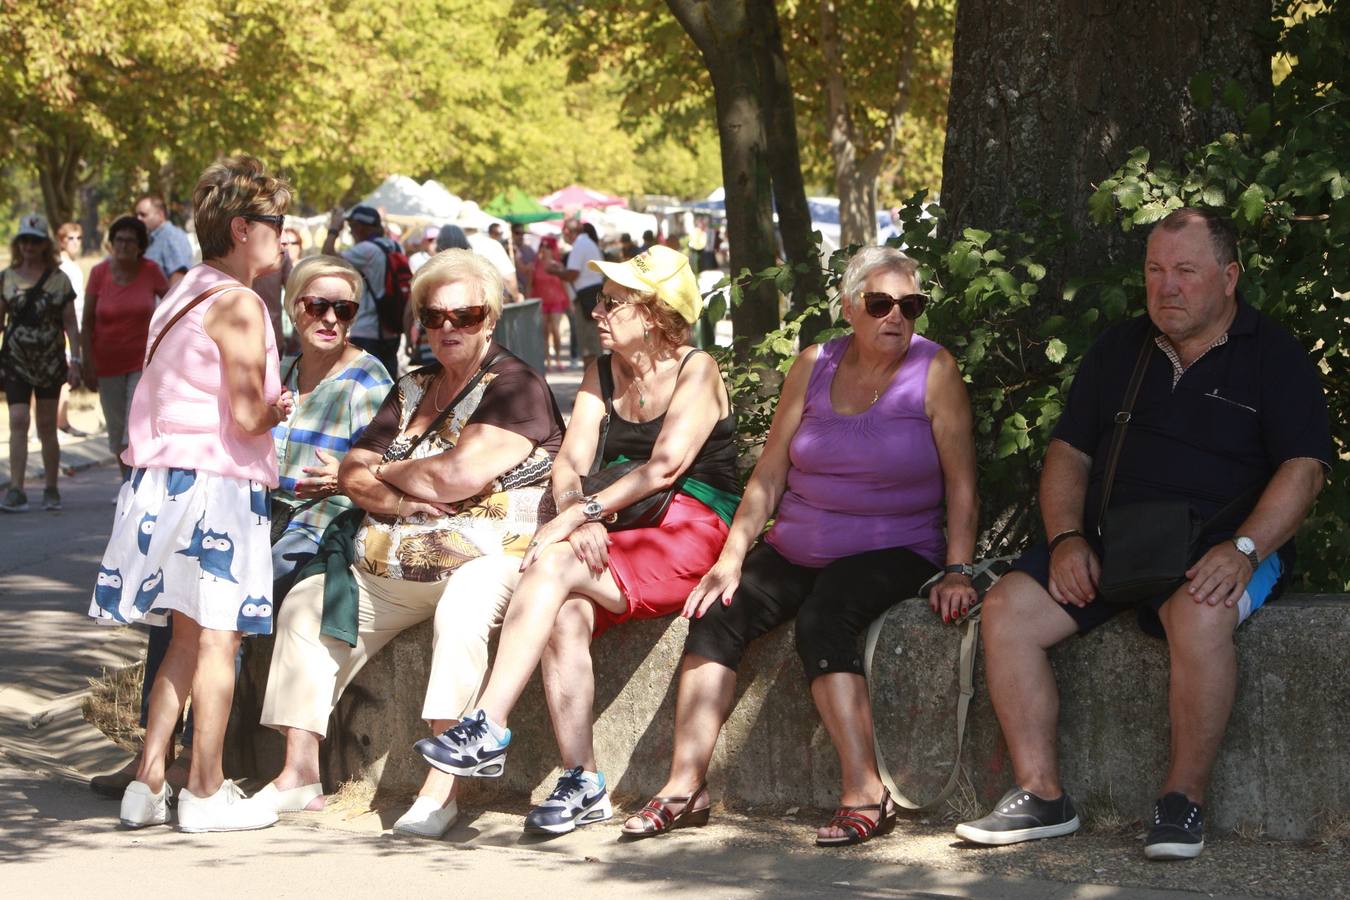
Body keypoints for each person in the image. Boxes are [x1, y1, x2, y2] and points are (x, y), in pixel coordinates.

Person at [954, 208, 1332, 861]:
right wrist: (1068, 535)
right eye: (1156, 271)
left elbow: (1305, 468)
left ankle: (1182, 801)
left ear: (1229, 276)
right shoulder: (1118, 349)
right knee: (1009, 608)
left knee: (1202, 613)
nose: (1167, 287)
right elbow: (1068, 454)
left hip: (1224, 543)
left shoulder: (1275, 354)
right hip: (1118, 538)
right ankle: (1042, 795)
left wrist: (1245, 550)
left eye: (1186, 271)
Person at [616, 245, 979, 846]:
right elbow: (771, 473)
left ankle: (866, 791)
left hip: (895, 545)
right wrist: (731, 557)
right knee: (719, 611)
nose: (897, 317)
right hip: (798, 540)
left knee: (826, 616)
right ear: (848, 307)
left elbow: (963, 482)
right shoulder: (814, 363)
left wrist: (958, 568)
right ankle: (684, 787)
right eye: (881, 303)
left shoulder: (933, 370)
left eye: (909, 306)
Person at [415, 245, 741, 838]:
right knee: (564, 613)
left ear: (653, 312)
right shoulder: (602, 371)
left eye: (611, 302)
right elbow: (570, 463)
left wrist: (579, 514)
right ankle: (582, 780)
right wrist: (576, 511)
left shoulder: (699, 370)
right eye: (599, 301)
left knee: (554, 559)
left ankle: (486, 722)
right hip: (620, 524)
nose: (596, 311)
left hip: (689, 529)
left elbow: (665, 468)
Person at [255, 249, 565, 840]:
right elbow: (352, 471)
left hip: (489, 553)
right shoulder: (414, 384)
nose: (448, 328)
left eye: (465, 315)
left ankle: (440, 788)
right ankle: (299, 773)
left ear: (491, 318)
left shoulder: (515, 386)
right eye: (434, 316)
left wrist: (392, 468)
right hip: (394, 557)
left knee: (463, 611)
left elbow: (454, 478)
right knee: (306, 604)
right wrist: (400, 487)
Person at [90, 155, 294, 832]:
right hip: (218, 486)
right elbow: (245, 414)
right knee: (219, 643)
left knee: (183, 639)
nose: (283, 235)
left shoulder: (183, 288)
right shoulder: (238, 303)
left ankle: (147, 783)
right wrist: (279, 406)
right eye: (276, 223)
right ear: (242, 228)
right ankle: (204, 789)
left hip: (164, 482)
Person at [271, 255, 393, 599]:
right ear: (293, 308)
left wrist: (345, 478)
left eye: (343, 309)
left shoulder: (367, 381)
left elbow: (390, 471)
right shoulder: (281, 372)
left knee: (241, 599)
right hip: (262, 518)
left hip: (321, 529)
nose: (330, 319)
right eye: (316, 306)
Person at [0, 214, 82, 513]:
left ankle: (51, 488)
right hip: (15, 360)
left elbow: (71, 324)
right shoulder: (6, 277)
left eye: (34, 240)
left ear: (44, 244)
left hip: (49, 361)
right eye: (24, 240)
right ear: (18, 243)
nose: (28, 246)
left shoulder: (59, 280)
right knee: (18, 420)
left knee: (47, 425)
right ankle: (16, 489)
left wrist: (76, 360)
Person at [80, 216, 170, 478]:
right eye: (119, 239)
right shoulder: (99, 273)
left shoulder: (151, 270)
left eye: (130, 241)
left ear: (140, 245)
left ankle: (137, 482)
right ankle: (126, 481)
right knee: (116, 428)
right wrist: (86, 361)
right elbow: (86, 322)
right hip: (106, 362)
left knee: (134, 425)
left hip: (142, 363)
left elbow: (173, 306)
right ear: (112, 243)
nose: (124, 245)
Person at [323, 205, 402, 377]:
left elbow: (327, 257)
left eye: (352, 229)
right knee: (388, 390)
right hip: (391, 330)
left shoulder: (367, 250)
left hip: (367, 331)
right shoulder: (394, 246)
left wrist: (334, 229)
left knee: (361, 390)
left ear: (361, 228)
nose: (351, 233)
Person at [55, 222, 88, 437]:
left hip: (75, 326)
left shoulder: (74, 266)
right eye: (70, 238)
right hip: (66, 329)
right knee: (64, 380)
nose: (75, 243)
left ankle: (61, 421)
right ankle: (60, 422)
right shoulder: (62, 268)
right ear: (61, 241)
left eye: (78, 238)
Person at [560, 220, 603, 367]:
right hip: (592, 295)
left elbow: (572, 274)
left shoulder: (580, 245)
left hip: (587, 298)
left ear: (567, 231)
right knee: (593, 345)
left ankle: (594, 385)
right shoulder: (588, 243)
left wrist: (555, 271)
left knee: (589, 347)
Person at [135, 195, 194, 290]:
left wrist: (168, 304)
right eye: (137, 215)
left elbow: (178, 279)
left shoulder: (171, 236)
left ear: (160, 215)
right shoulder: (152, 239)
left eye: (143, 215)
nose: (138, 219)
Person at [532, 235, 571, 371]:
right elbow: (530, 285)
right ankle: (547, 361)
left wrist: (570, 302)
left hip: (556, 301)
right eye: (542, 246)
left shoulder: (557, 265)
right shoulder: (535, 265)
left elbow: (565, 284)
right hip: (541, 303)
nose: (544, 248)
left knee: (555, 330)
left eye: (548, 246)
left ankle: (558, 359)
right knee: (545, 333)